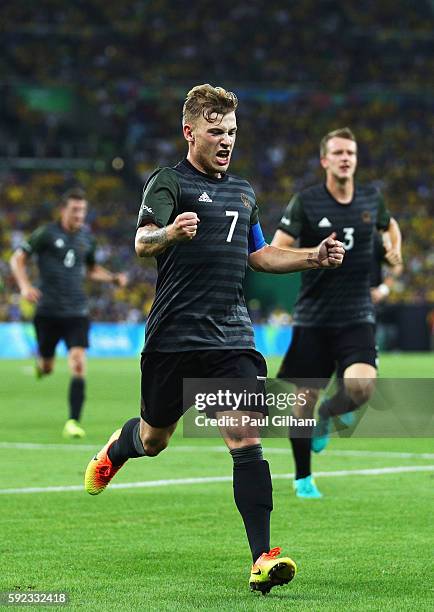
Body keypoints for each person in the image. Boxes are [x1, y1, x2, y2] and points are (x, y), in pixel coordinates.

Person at [84, 84, 345, 594]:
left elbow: (261, 255)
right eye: (215, 131)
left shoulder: (244, 192)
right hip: (172, 338)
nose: (226, 141)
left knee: (246, 440)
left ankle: (263, 558)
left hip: (230, 338)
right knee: (154, 439)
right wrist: (169, 235)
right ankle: (120, 447)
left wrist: (313, 256)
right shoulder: (168, 183)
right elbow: (141, 242)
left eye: (231, 132)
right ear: (190, 132)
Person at [271, 127, 402, 499]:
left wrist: (395, 250)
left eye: (351, 153)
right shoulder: (306, 202)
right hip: (313, 317)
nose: (346, 158)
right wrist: (314, 255)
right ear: (325, 160)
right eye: (339, 153)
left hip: (357, 313)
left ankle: (328, 415)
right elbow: (278, 248)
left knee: (362, 388)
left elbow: (390, 226)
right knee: (302, 403)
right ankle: (303, 479)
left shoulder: (371, 199)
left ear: (356, 160)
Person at [10, 188, 127, 439]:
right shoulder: (46, 234)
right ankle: (41, 366)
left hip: (77, 311)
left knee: (78, 362)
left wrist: (112, 278)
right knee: (48, 366)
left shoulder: (87, 239)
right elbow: (17, 259)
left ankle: (73, 421)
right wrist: (24, 286)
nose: (79, 215)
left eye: (82, 210)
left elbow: (92, 269)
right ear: (63, 210)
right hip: (48, 312)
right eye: (75, 210)